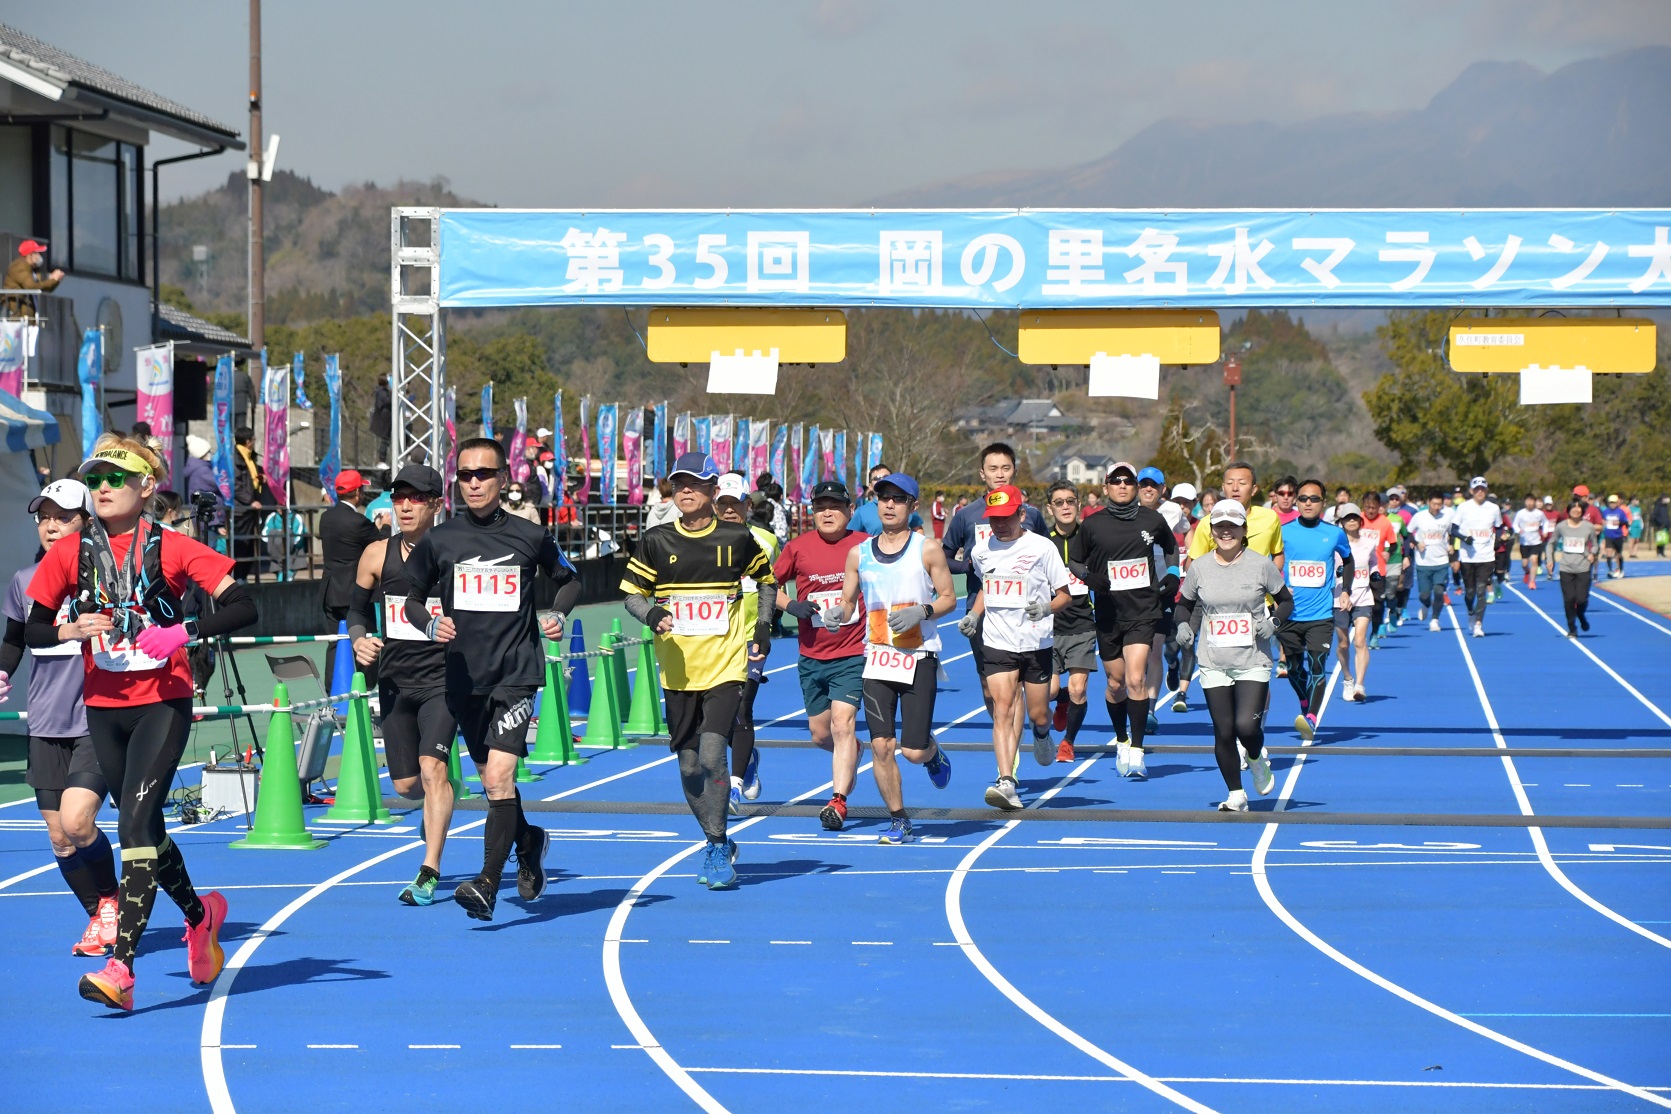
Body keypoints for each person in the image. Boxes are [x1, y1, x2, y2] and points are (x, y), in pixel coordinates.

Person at [28, 435, 256, 1010]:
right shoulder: (70, 553)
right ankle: (201, 917)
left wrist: (185, 631)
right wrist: (65, 631)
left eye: (114, 478)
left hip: (162, 703)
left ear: (145, 486)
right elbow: (25, 631)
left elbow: (246, 606)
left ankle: (121, 972)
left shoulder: (175, 548)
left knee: (133, 825)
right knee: (147, 829)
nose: (102, 487)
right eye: (95, 479)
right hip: (103, 709)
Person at [404, 438, 580, 920]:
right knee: (491, 783)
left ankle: (486, 883)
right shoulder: (440, 540)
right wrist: (427, 623)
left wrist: (558, 615)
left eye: (484, 474)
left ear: (504, 479)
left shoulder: (530, 535)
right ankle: (530, 841)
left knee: (500, 779)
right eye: (465, 475)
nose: (474, 482)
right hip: (463, 679)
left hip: (516, 675)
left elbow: (570, 579)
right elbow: (411, 597)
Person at [620, 452, 775, 882]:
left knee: (711, 756)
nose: (685, 490)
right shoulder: (656, 540)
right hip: (677, 671)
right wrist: (651, 614)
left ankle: (719, 846)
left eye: (695, 483)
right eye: (679, 483)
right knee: (689, 767)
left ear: (712, 490)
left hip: (725, 666)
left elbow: (766, 580)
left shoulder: (737, 537)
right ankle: (715, 839)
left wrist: (762, 625)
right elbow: (632, 594)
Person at [1, 480, 117, 957]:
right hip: (45, 720)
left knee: (78, 821)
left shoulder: (111, 575)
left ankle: (111, 901)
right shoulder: (24, 581)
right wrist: (2, 671)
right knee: (59, 837)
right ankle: (99, 917)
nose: (50, 524)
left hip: (97, 716)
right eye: (43, 515)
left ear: (87, 522)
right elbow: (13, 639)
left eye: (63, 516)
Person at [821, 472, 955, 842]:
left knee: (911, 751)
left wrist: (922, 612)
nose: (890, 504)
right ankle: (899, 819)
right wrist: (838, 613)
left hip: (918, 655)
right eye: (884, 498)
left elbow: (948, 597)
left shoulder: (925, 548)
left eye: (898, 499)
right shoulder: (859, 553)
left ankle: (933, 754)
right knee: (881, 745)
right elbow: (849, 602)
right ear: (875, 504)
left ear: (913, 506)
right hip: (878, 657)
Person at [347, 465, 455, 907]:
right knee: (407, 785)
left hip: (444, 679)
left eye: (415, 498)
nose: (405, 506)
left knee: (432, 771)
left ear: (435, 503)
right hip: (395, 680)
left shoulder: (454, 553)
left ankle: (429, 870)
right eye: (399, 497)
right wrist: (359, 639)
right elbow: (354, 612)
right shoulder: (376, 554)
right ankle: (435, 802)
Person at [1172, 498, 1289, 811]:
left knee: (1246, 728)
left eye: (1232, 526)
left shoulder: (1261, 564)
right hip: (1213, 660)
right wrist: (1182, 625)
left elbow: (1286, 601)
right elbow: (1182, 604)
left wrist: (1273, 622)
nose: (1226, 532)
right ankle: (1235, 794)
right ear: (1211, 530)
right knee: (1223, 730)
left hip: (1253, 658)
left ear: (1243, 530)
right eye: (1220, 526)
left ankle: (1255, 757)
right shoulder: (1200, 567)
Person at [964, 484, 1070, 807]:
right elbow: (986, 587)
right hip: (997, 641)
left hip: (1035, 642)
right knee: (1003, 711)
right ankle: (1006, 780)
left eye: (1007, 517)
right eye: (994, 519)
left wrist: (1046, 608)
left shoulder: (1042, 548)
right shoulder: (981, 551)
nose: (1000, 525)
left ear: (1022, 514)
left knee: (1038, 713)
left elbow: (1065, 595)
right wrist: (973, 614)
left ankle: (1042, 733)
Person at [1072, 460, 1178, 779]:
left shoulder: (1152, 519)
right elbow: (1075, 561)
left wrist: (1172, 573)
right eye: (1116, 481)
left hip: (1143, 611)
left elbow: (1171, 549)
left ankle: (1137, 751)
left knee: (1135, 679)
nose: (1122, 485)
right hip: (1108, 613)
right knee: (1116, 683)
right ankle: (1121, 739)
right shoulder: (1092, 524)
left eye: (1128, 481)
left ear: (1134, 487)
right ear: (1105, 487)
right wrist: (1090, 578)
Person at [774, 480, 868, 830]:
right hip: (812, 654)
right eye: (820, 507)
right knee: (820, 734)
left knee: (843, 724)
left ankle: (838, 801)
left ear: (849, 511)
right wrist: (792, 605)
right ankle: (854, 752)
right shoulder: (798, 547)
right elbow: (769, 583)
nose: (827, 513)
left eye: (835, 507)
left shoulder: (863, 545)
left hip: (854, 652)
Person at [941, 443, 1048, 734]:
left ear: (1014, 471)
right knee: (991, 688)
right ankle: (1007, 738)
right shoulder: (967, 516)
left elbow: (1047, 557)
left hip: (1024, 610)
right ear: (982, 474)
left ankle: (1020, 740)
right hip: (982, 607)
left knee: (1018, 687)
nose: (999, 474)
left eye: (1005, 468)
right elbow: (945, 557)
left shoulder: (1032, 515)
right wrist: (972, 569)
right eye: (993, 469)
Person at [716, 472, 781, 813]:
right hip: (709, 642)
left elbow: (773, 585)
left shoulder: (766, 540)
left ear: (747, 505)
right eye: (722, 503)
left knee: (742, 708)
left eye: (735, 503)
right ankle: (749, 754)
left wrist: (767, 626)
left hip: (750, 639)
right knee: (715, 716)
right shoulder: (701, 541)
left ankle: (736, 784)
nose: (729, 510)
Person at [1278, 479, 1352, 739]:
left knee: (1318, 666)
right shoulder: (1283, 531)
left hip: (1321, 616)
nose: (1308, 503)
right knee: (1296, 669)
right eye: (1303, 498)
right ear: (1296, 502)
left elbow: (1348, 560)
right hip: (1290, 614)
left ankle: (1311, 717)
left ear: (1323, 502)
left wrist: (1346, 590)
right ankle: (1304, 703)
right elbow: (1270, 564)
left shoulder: (1334, 533)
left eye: (1314, 499)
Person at [1043, 481, 1097, 761]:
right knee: (1048, 693)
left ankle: (1068, 742)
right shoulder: (1043, 542)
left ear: (1078, 504)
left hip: (1082, 626)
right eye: (1059, 502)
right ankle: (1060, 698)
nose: (1065, 507)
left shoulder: (1090, 538)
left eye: (1070, 501)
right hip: (1048, 628)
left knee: (1079, 689)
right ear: (1050, 508)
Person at [319, 469, 379, 689]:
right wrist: (385, 526)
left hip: (330, 590)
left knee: (335, 642)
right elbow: (381, 543)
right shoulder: (359, 522)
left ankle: (332, 688)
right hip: (356, 591)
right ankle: (367, 686)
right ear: (356, 493)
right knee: (366, 638)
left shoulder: (325, 518)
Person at [1334, 503, 1382, 701]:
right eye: (1347, 518)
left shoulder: (1368, 543)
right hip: (1340, 598)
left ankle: (1360, 686)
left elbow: (1372, 561)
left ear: (1360, 521)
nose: (1351, 521)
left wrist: (1374, 572)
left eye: (1354, 517)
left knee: (1360, 640)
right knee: (1344, 644)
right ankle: (1347, 678)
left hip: (1363, 595)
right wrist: (1336, 573)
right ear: (1342, 522)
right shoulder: (1335, 545)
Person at [1449, 477, 1501, 637]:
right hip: (1468, 557)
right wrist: (1464, 538)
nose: (1480, 491)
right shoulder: (1464, 508)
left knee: (1481, 592)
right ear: (1471, 491)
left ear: (1486, 490)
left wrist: (1497, 541)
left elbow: (1499, 527)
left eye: (1483, 489)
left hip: (1486, 557)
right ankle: (1471, 612)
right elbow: (1453, 529)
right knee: (1470, 593)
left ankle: (1479, 624)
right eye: (1477, 489)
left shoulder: (1493, 508)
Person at [1407, 491, 1455, 632]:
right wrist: (1416, 543)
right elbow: (1408, 533)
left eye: (1439, 504)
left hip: (1441, 561)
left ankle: (1435, 620)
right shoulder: (1419, 517)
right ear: (1428, 502)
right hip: (1423, 562)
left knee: (1439, 591)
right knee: (1424, 595)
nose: (1437, 507)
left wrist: (1451, 544)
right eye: (1434, 504)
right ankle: (1426, 604)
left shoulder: (1447, 516)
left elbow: (1452, 532)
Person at [231, 426, 274, 580]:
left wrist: (259, 479)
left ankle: (244, 575)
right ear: (248, 441)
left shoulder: (250, 457)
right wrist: (250, 501)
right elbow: (236, 485)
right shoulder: (235, 458)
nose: (255, 443)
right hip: (241, 510)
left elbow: (249, 479)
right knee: (241, 543)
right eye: (254, 440)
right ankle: (239, 576)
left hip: (250, 509)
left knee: (250, 544)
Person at [1552, 500, 1600, 637]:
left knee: (1581, 600)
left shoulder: (1588, 527)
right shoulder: (1561, 527)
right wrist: (1550, 560)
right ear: (1569, 510)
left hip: (1583, 568)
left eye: (1579, 508)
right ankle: (1572, 628)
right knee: (1569, 599)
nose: (1576, 510)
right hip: (1566, 568)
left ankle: (1581, 615)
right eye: (1573, 507)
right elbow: (1551, 543)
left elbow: (1595, 544)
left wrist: (1592, 553)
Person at [1359, 493, 1401, 646]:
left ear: (1379, 507)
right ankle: (1359, 632)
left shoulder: (1384, 523)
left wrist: (1388, 552)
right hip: (1358, 570)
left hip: (1378, 569)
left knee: (1377, 604)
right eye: (1368, 507)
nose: (1371, 511)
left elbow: (1394, 543)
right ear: (1363, 506)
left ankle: (1375, 633)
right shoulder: (1356, 519)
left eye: (1374, 508)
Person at [850, 464, 926, 535]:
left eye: (886, 477)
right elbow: (850, 537)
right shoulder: (861, 511)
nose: (890, 505)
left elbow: (918, 529)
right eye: (877, 478)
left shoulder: (906, 505)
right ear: (870, 486)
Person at [2, 239, 64, 318]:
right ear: (30, 255)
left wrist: (55, 280)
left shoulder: (32, 269)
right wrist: (53, 280)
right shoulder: (19, 266)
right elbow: (32, 286)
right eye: (37, 253)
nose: (39, 256)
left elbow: (45, 288)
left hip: (27, 313)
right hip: (17, 314)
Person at [1511, 494, 1550, 589]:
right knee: (1524, 563)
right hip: (1524, 542)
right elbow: (1515, 524)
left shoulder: (1539, 513)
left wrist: (1545, 531)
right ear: (1524, 502)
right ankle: (1527, 572)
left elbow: (1546, 522)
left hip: (1535, 541)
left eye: (1532, 501)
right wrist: (1518, 530)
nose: (1529, 503)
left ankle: (1532, 582)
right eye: (1527, 501)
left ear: (1534, 502)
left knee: (1534, 560)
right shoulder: (1520, 513)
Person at [1600, 495, 1630, 579]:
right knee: (1609, 553)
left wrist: (1619, 523)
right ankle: (1610, 570)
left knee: (1618, 554)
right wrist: (1603, 523)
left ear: (1617, 503)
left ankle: (1620, 569)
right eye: (1610, 503)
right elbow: (1602, 520)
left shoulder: (1621, 512)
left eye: (1613, 503)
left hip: (1618, 536)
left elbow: (1626, 522)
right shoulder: (1605, 512)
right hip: (1609, 535)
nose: (1612, 504)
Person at [370, 375, 393, 467]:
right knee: (385, 440)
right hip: (384, 419)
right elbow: (386, 402)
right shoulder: (382, 393)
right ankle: (382, 460)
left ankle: (383, 459)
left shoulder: (381, 392)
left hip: (385, 418)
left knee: (385, 440)